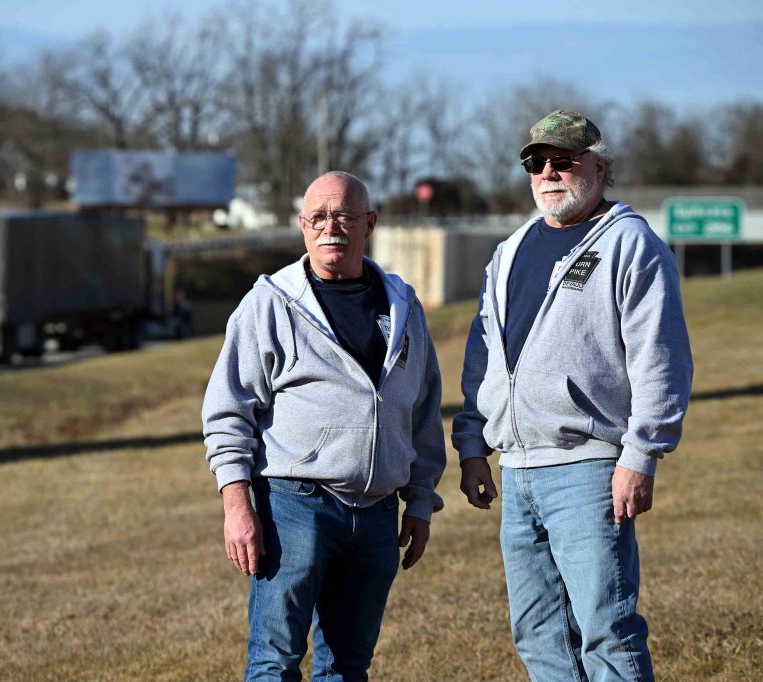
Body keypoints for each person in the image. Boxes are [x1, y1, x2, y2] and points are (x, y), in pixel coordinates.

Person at [452, 110, 693, 681]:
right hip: (517, 470)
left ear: (601, 168)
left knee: (606, 631)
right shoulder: (509, 252)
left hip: (588, 469)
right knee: (538, 636)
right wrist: (471, 445)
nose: (550, 174)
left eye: (565, 161)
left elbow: (660, 357)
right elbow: (484, 353)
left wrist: (640, 456)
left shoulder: (632, 245)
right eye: (538, 163)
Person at [203, 171, 446, 681]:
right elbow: (228, 412)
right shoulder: (270, 304)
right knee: (275, 663)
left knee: (348, 668)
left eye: (343, 216)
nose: (329, 228)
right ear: (302, 226)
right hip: (295, 508)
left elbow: (422, 411)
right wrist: (236, 507)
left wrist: (419, 502)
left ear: (369, 224)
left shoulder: (403, 306)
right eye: (317, 218)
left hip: (378, 515)